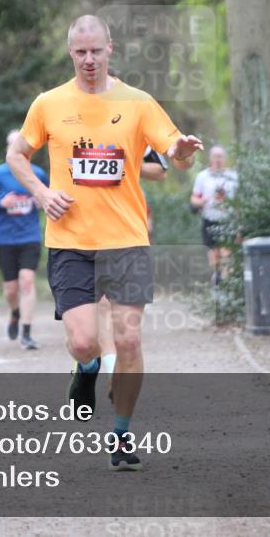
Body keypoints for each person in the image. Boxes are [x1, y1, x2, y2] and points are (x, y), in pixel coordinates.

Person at [6, 15, 202, 471]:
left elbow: (173, 150)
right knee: (82, 342)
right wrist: (40, 192)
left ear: (110, 48)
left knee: (129, 339)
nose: (89, 60)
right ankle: (87, 369)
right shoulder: (49, 103)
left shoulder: (137, 102)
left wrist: (184, 152)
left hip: (127, 240)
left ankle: (121, 435)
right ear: (70, 52)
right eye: (80, 52)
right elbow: (18, 154)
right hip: (70, 241)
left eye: (96, 51)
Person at [99, 147, 169, 402]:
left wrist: (122, 165)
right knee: (100, 308)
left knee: (122, 320)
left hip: (125, 224)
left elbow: (160, 171)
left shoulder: (131, 118)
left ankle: (113, 371)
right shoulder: (71, 119)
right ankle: (107, 369)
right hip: (84, 226)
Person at [0, 129, 49, 351]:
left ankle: (26, 333)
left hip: (30, 236)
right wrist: (0, 203)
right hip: (6, 239)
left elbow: (52, 195)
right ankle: (15, 313)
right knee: (11, 289)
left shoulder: (38, 173)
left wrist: (43, 201)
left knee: (27, 281)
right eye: (11, 143)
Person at [190, 145, 238, 285]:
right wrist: (203, 200)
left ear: (225, 159)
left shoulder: (233, 176)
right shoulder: (202, 177)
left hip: (228, 221)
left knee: (226, 253)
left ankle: (225, 282)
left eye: (220, 157)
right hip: (209, 219)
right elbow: (193, 199)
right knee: (214, 256)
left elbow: (239, 200)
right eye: (215, 157)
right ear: (210, 159)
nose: (218, 160)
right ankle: (217, 279)